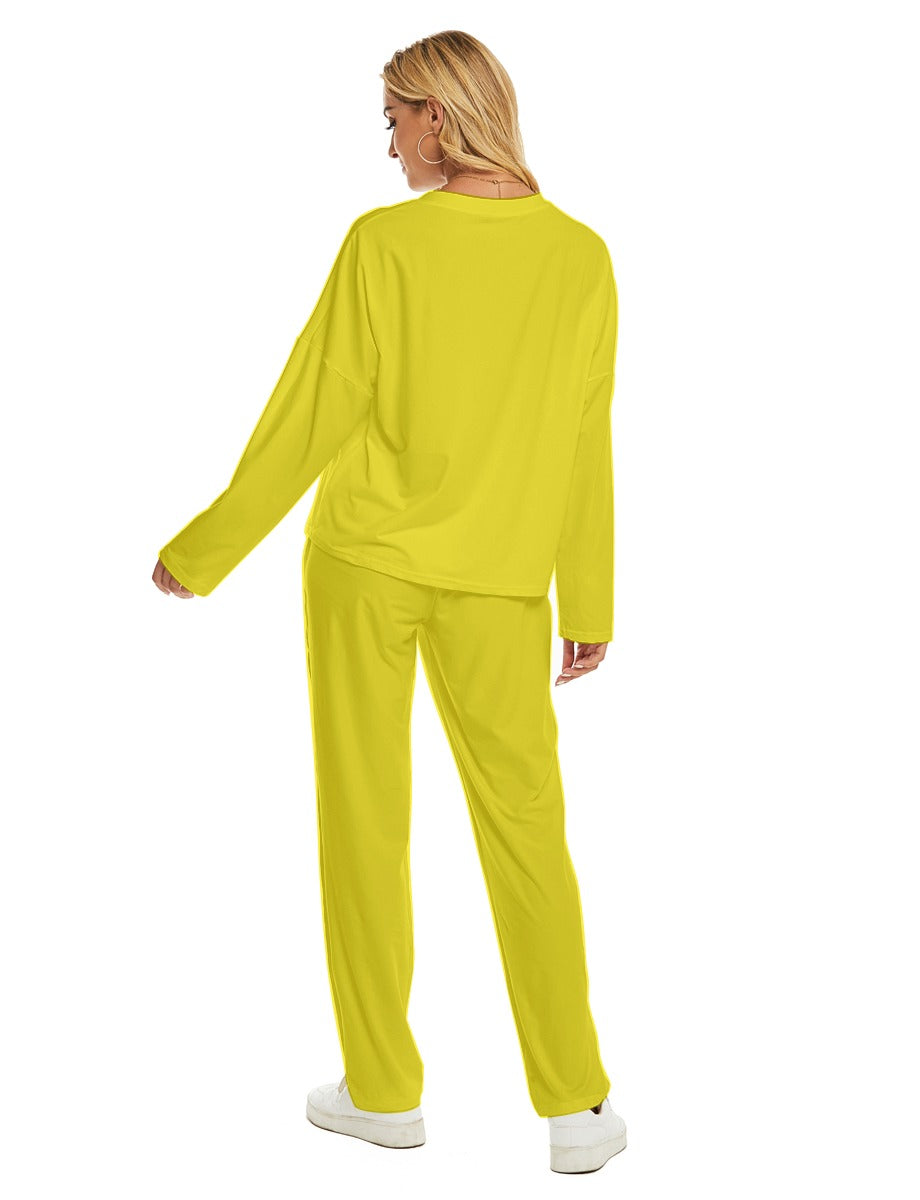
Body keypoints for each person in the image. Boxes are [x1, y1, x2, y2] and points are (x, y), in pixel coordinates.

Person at [151, 30, 626, 1175]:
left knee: (363, 822)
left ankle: (381, 1089)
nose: (391, 146)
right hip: (504, 585)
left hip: (364, 566)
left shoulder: (383, 246)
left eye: (396, 120)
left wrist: (208, 546)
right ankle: (576, 1109)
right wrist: (589, 595)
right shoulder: (582, 258)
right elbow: (583, 438)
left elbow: (313, 408)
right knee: (528, 834)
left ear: (440, 117)